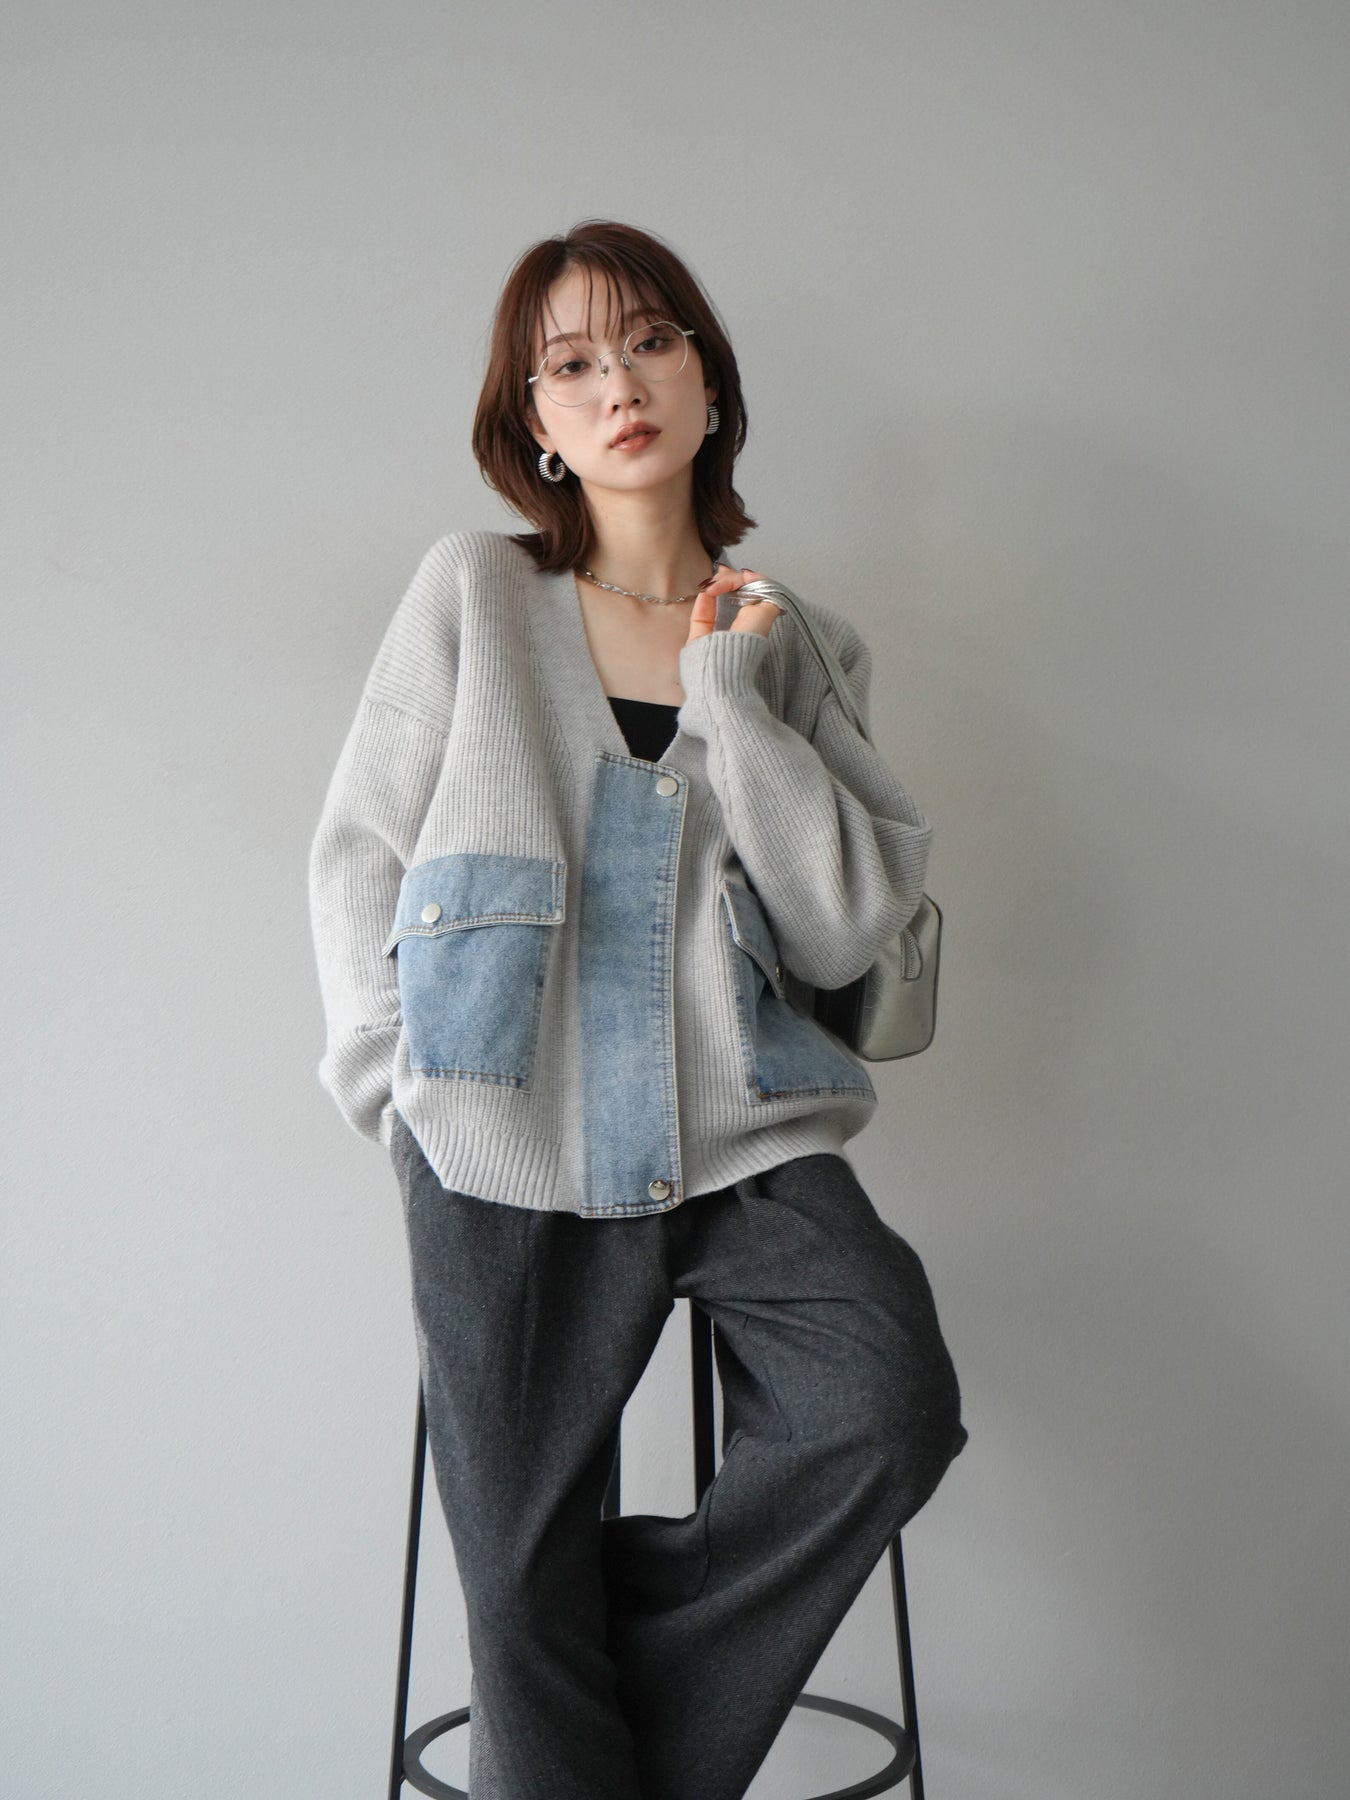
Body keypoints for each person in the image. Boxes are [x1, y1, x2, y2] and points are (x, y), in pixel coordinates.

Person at [308, 219, 967, 1800]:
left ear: (707, 382)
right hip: (501, 1135)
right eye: (572, 363)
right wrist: (392, 1085)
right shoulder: (475, 593)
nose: (619, 385)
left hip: (744, 1137)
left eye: (651, 341)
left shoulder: (796, 643)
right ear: (534, 421)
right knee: (514, 1551)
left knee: (883, 1406)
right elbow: (359, 851)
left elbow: (842, 921)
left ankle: (568, 1694)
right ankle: (541, 1649)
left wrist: (733, 698)